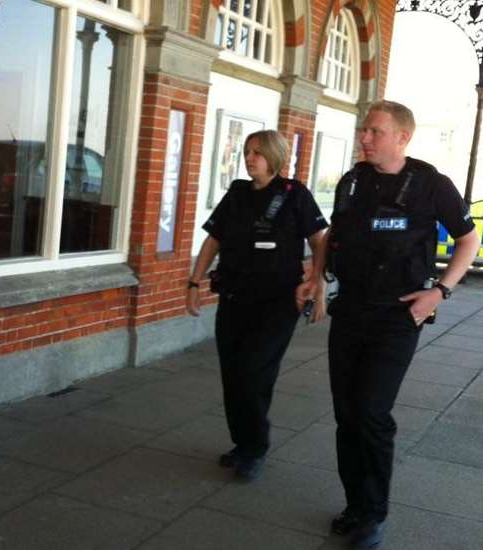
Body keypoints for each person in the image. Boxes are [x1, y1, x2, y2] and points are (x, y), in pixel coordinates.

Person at [296, 100, 480, 549]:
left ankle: (374, 514)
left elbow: (468, 240)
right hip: (351, 311)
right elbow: (331, 237)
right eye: (364, 130)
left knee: (372, 413)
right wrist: (315, 278)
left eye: (375, 131)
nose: (365, 137)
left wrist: (440, 290)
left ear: (403, 137)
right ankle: (356, 503)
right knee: (346, 414)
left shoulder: (430, 184)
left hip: (397, 317)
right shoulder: (351, 182)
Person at [187, 129, 328, 481]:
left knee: (253, 373)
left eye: (259, 153)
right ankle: (242, 443)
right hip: (234, 299)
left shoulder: (296, 195)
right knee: (233, 374)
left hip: (277, 304)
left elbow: (320, 240)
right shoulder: (237, 194)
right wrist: (194, 280)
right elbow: (213, 239)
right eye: (248, 152)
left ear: (276, 156)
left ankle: (255, 447)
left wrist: (318, 281)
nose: (250, 158)